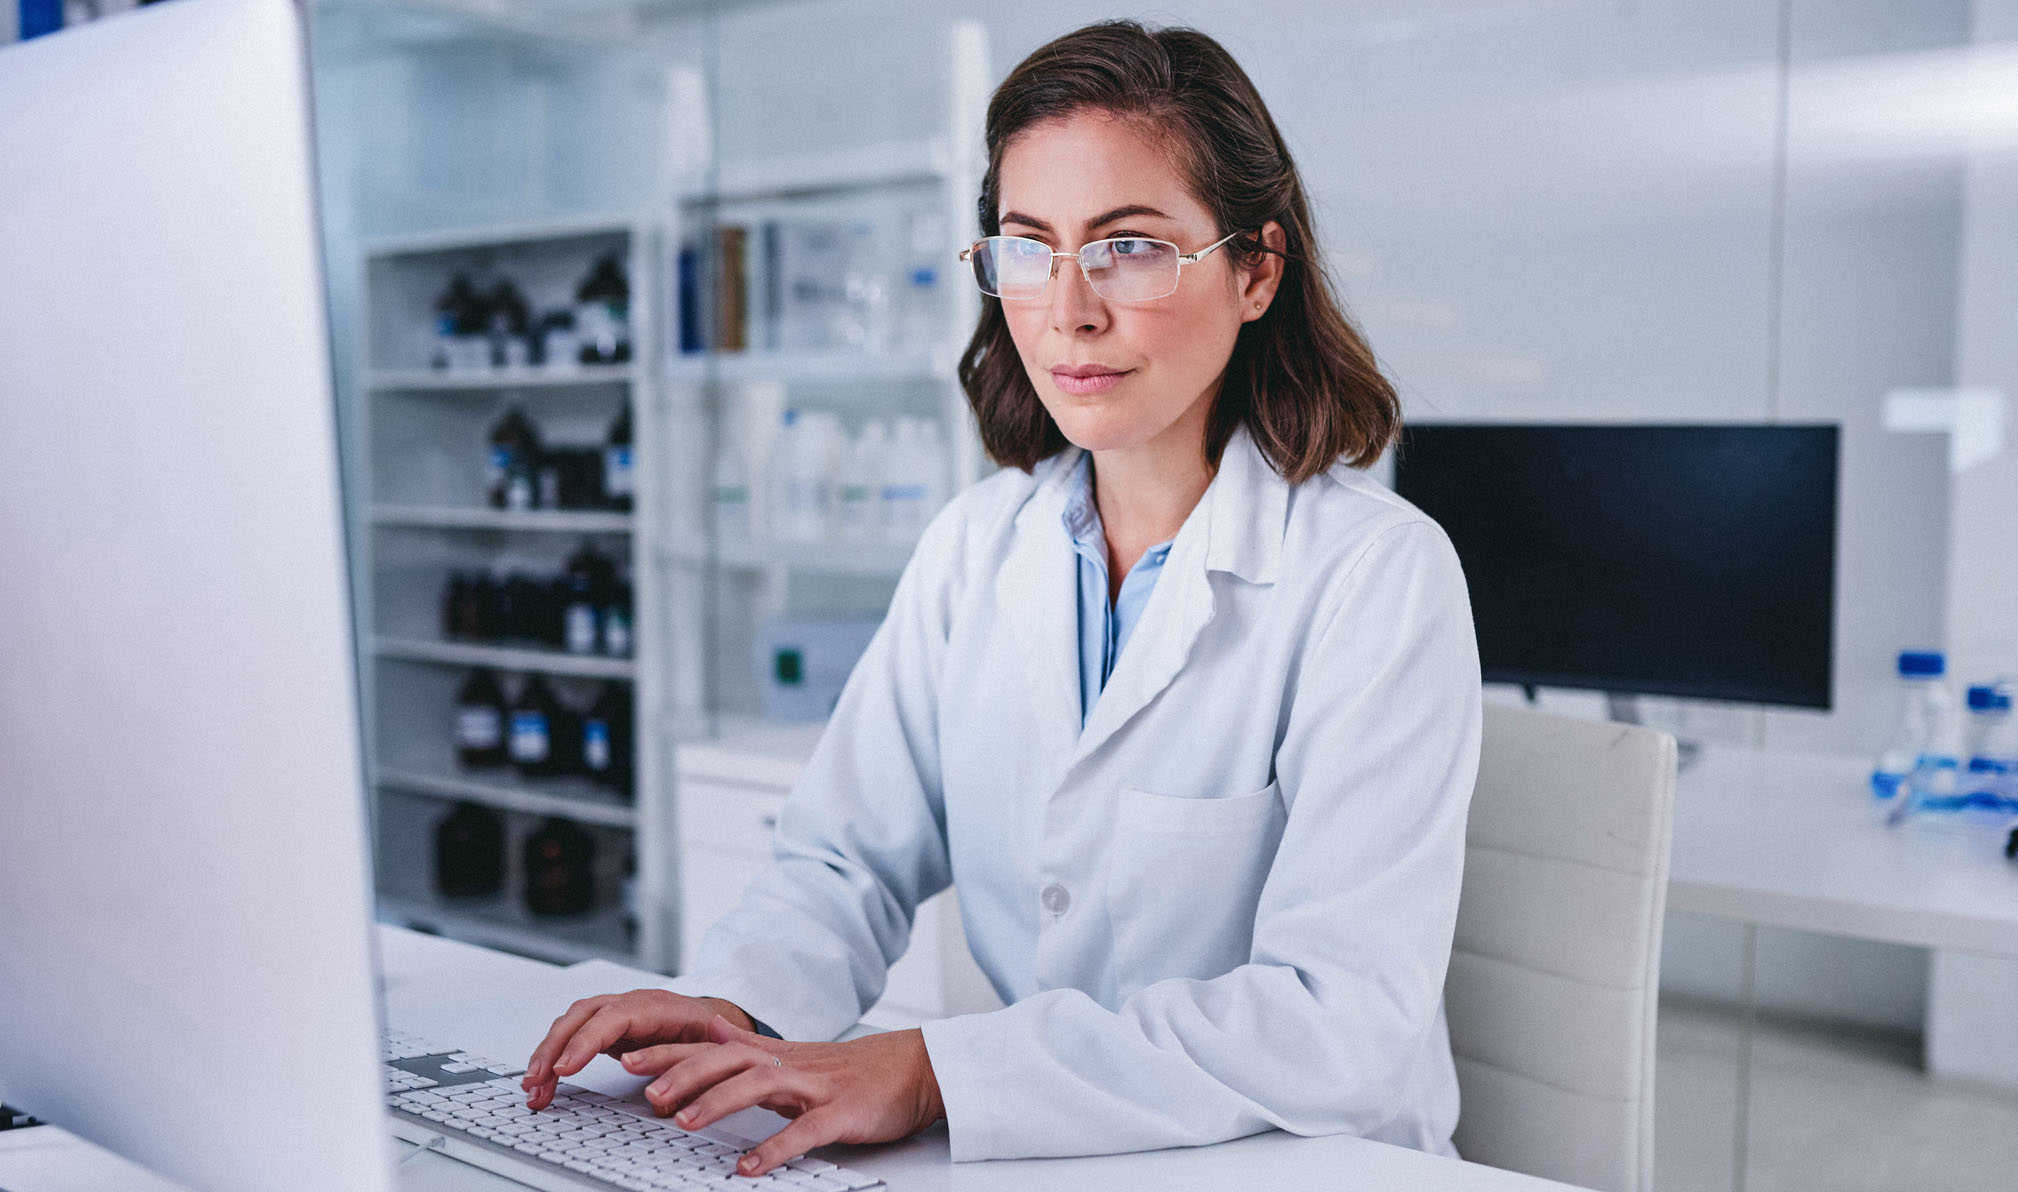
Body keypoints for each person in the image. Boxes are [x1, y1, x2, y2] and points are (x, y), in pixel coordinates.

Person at [521, 18, 1482, 1178]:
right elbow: (842, 863)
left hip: (1298, 1162)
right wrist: (730, 1008)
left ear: (1255, 268)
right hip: (1056, 1156)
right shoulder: (978, 548)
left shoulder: (1375, 577)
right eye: (1029, 246)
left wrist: (933, 1070)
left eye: (1129, 247)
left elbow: (1339, 1023)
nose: (1068, 309)